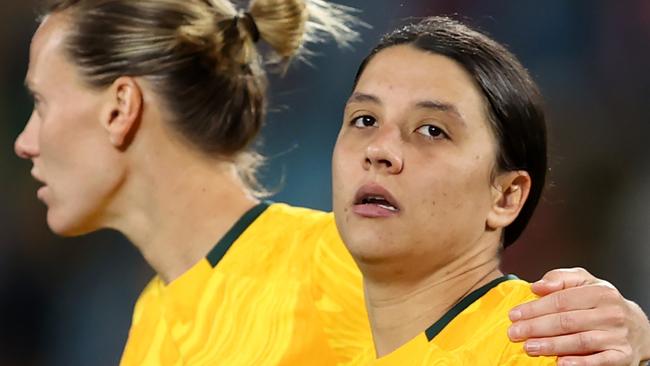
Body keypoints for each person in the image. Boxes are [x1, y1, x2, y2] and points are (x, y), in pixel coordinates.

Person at [13, 0, 649, 365]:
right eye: (364, 120)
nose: (25, 141)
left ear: (121, 106)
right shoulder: (152, 318)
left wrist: (637, 342)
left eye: (42, 103)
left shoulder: (330, 264)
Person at [330, 16, 650, 365]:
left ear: (506, 196)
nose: (378, 150)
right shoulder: (321, 341)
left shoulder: (545, 348)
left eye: (432, 130)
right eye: (365, 120)